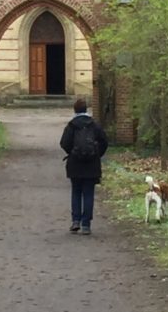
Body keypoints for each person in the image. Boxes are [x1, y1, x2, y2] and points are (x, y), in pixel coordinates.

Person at [59, 98, 108, 235]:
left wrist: (73, 153)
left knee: (76, 192)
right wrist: (97, 154)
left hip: (75, 164)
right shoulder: (94, 125)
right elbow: (104, 141)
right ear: (86, 109)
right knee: (88, 193)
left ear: (75, 110)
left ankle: (75, 221)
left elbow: (64, 143)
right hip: (92, 164)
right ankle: (86, 224)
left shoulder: (71, 125)